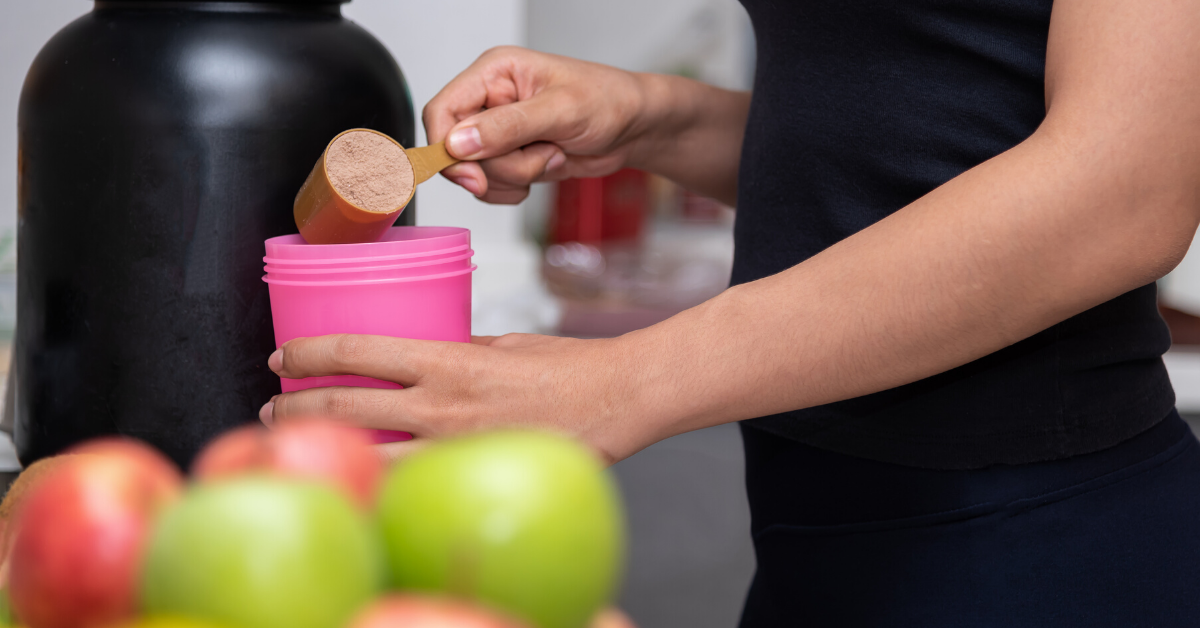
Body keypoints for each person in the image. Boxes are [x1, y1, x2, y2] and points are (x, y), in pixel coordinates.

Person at [260, 0, 1200, 624]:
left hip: (1040, 538)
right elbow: (923, 123)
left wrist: (624, 379)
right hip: (812, 523)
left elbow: (1123, 190)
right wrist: (654, 116)